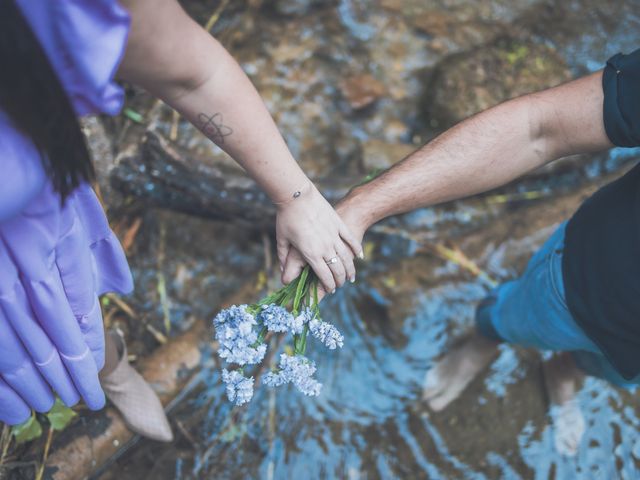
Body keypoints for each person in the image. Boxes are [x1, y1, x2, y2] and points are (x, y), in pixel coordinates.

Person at [0, 0, 362, 439]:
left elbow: (195, 76)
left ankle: (110, 365)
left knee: (70, 308)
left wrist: (298, 197)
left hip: (32, 232)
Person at [284, 48, 640, 456]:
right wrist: (363, 206)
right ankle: (483, 340)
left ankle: (563, 374)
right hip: (585, 285)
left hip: (632, 355)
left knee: (607, 369)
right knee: (512, 317)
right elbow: (539, 129)